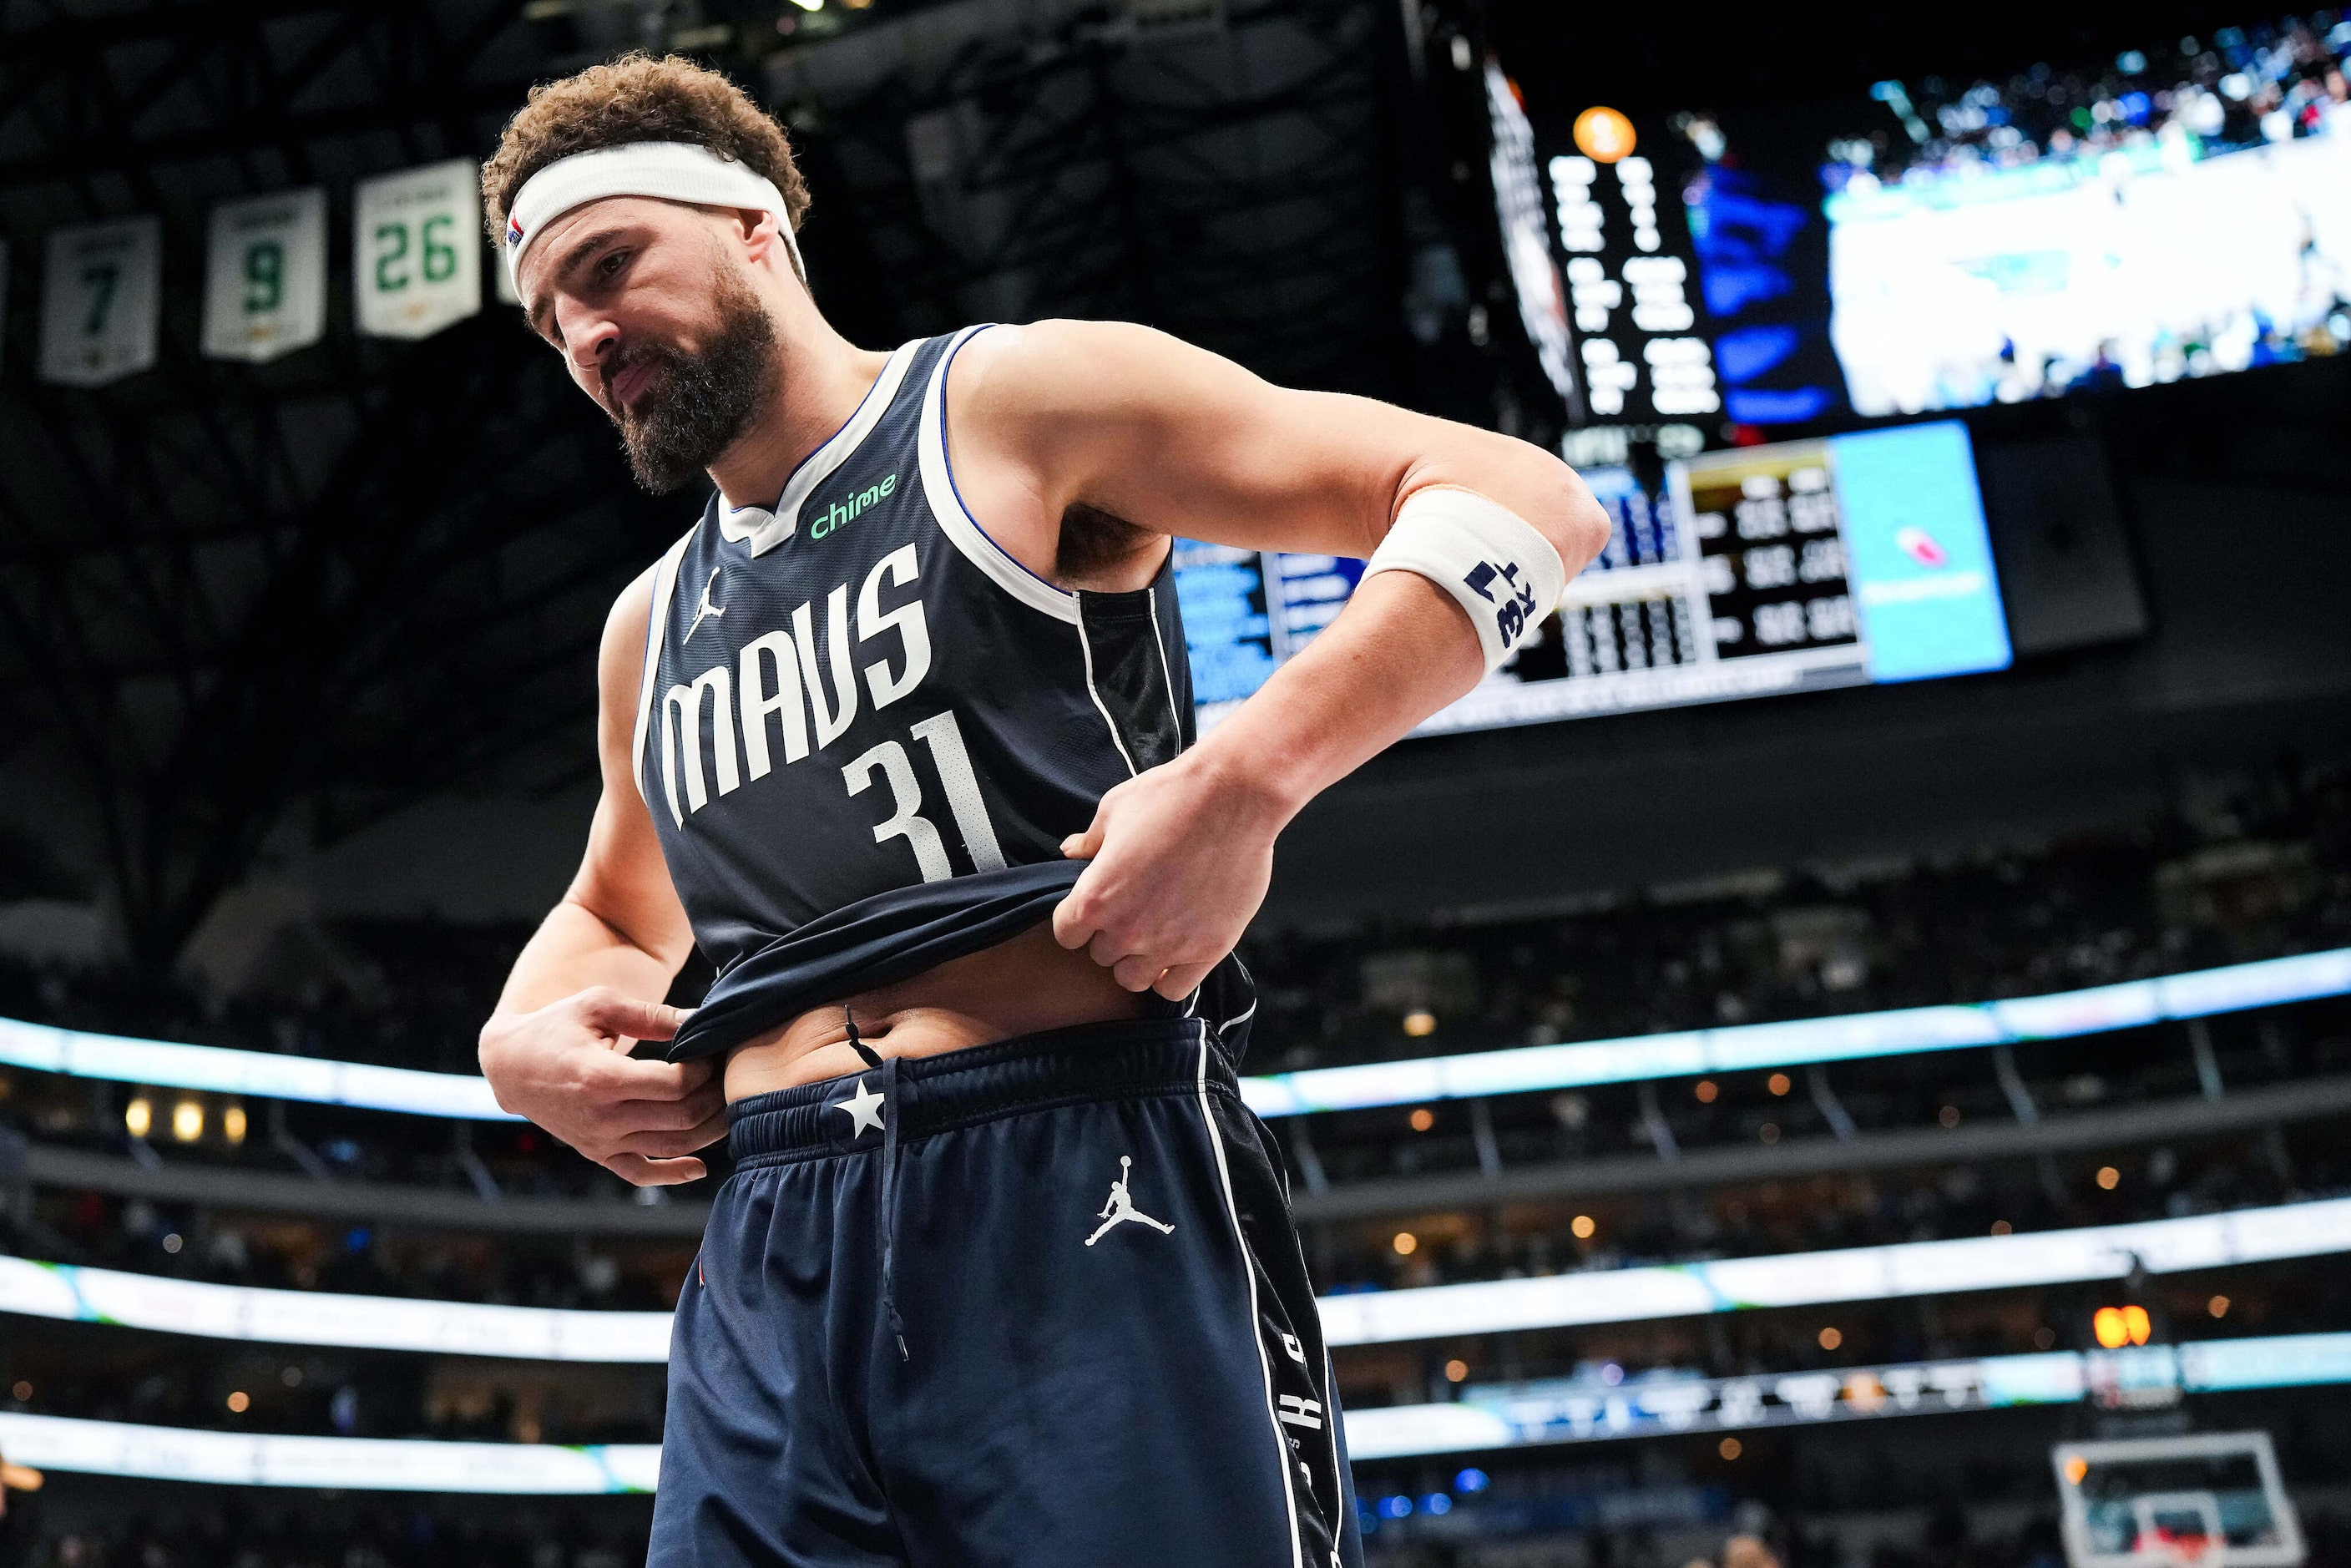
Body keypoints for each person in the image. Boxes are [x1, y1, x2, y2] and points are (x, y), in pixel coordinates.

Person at [475, 52, 1606, 1568]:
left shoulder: (1008, 403)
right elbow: (616, 911)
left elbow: (1517, 494)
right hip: (770, 1244)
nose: (592, 333)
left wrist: (1246, 779)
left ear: (757, 230)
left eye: (612, 268)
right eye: (556, 318)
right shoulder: (649, 621)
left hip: (1076, 1173)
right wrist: (519, 1040)